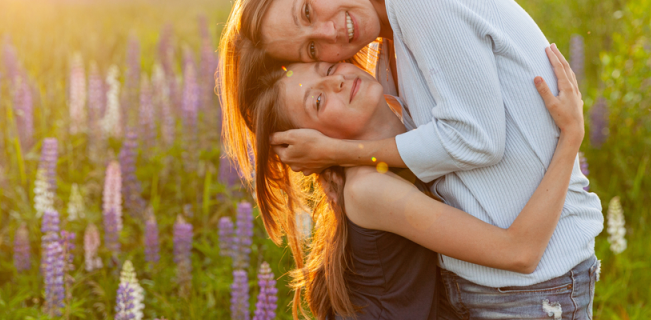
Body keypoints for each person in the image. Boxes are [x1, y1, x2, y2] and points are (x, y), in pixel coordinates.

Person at [218, 0, 603, 318]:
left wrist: (338, 150)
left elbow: (476, 141)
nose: (329, 32)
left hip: (533, 289)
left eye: (306, 11)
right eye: (314, 50)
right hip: (489, 289)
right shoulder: (387, 60)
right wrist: (569, 138)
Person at [241, 45, 586, 320]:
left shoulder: (400, 103)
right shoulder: (368, 189)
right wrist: (571, 135)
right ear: (312, 144)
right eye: (318, 101)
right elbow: (519, 252)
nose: (337, 82)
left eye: (329, 69)